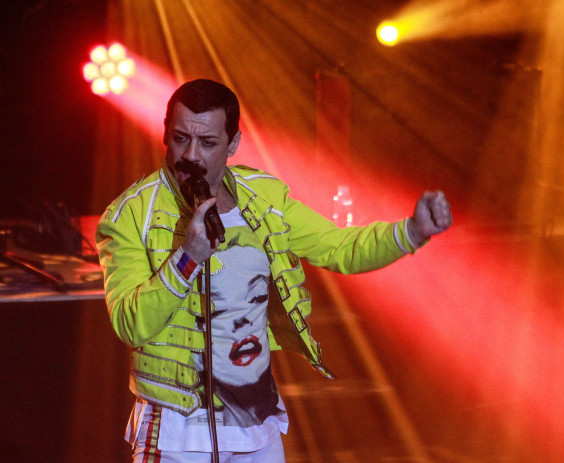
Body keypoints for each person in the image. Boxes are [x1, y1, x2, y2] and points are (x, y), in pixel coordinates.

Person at [96, 79, 452, 462]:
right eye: (180, 139)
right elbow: (130, 324)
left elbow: (339, 247)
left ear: (233, 144)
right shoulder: (131, 215)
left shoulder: (265, 199)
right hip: (177, 434)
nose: (192, 155)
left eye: (208, 143)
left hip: (255, 423)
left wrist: (412, 231)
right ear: (165, 134)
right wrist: (187, 259)